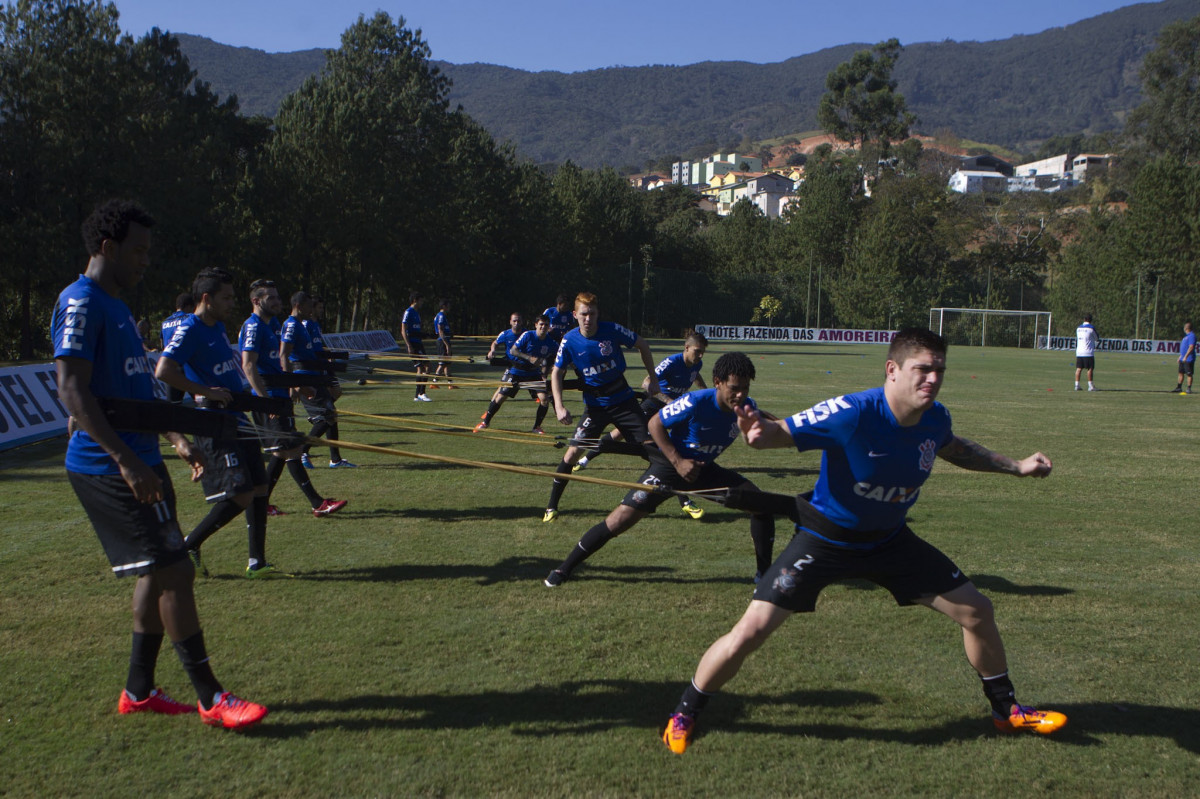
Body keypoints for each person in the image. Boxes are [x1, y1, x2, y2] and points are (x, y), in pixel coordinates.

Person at [661, 328, 1066, 755]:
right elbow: (783, 430)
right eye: (922, 369)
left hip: (890, 541)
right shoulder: (852, 412)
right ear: (892, 370)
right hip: (824, 539)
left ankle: (1007, 711)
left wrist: (1016, 466)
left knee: (978, 610)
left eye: (939, 370)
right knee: (750, 632)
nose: (932, 379)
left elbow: (954, 448)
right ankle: (684, 714)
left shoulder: (935, 417)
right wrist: (762, 433)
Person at [54, 199, 266, 727]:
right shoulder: (81, 303)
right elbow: (72, 392)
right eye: (139, 250)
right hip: (107, 468)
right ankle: (212, 698)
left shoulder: (118, 307)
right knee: (174, 570)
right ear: (108, 248)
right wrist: (127, 461)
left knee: (155, 572)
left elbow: (138, 390)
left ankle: (139, 691)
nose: (146, 261)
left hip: (142, 458)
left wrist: (173, 435)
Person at [544, 351, 775, 587]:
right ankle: (564, 569)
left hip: (704, 470)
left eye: (745, 388)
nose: (740, 395)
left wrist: (784, 427)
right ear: (718, 382)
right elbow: (655, 423)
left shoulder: (746, 405)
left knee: (761, 505)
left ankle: (764, 575)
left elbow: (759, 416)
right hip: (669, 467)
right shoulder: (695, 401)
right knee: (620, 520)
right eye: (734, 388)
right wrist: (678, 462)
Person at [157, 267, 287, 579]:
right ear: (207, 298)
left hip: (236, 416)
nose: (232, 303)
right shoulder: (190, 329)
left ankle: (257, 562)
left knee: (259, 487)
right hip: (212, 422)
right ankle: (188, 545)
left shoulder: (216, 327)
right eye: (226, 297)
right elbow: (164, 370)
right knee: (240, 494)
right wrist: (206, 391)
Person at [543, 292, 663, 523]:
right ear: (575, 315)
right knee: (571, 453)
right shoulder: (569, 340)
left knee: (655, 451)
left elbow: (643, 344)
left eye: (593, 314)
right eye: (584, 314)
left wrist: (653, 378)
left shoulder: (612, 330)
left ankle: (683, 499)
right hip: (595, 407)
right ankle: (551, 506)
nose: (588, 319)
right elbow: (557, 372)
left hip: (624, 402)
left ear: (598, 314)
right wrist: (559, 406)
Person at [239, 279, 348, 518]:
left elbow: (278, 364)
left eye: (278, 297)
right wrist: (265, 400)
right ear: (256, 301)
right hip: (269, 398)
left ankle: (262, 503)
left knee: (281, 452)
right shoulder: (254, 326)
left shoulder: (272, 324)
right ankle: (317, 503)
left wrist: (296, 385)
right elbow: (248, 366)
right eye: (272, 298)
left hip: (279, 395)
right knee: (292, 450)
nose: (278, 302)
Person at [573, 332, 710, 519]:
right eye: (697, 351)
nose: (700, 356)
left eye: (703, 352)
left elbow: (695, 375)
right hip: (653, 406)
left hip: (673, 411)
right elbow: (646, 383)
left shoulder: (696, 363)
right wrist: (669, 401)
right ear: (686, 348)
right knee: (623, 435)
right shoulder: (671, 362)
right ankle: (584, 459)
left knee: (673, 449)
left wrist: (707, 393)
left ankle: (685, 501)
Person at [281, 291, 356, 469]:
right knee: (327, 416)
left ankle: (335, 459)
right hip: (305, 377)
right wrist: (292, 384)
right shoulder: (292, 325)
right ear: (299, 306)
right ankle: (303, 450)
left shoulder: (301, 324)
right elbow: (284, 355)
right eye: (309, 306)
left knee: (331, 414)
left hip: (314, 376)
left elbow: (312, 352)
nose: (312, 309)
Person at [475, 314, 555, 434]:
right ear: (536, 325)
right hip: (516, 371)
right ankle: (485, 422)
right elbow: (513, 350)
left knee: (544, 399)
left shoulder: (550, 342)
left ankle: (536, 427)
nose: (543, 327)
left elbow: (559, 354)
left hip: (533, 373)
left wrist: (552, 366)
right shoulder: (528, 335)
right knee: (501, 397)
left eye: (546, 325)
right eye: (541, 324)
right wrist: (529, 358)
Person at [160, 293, 194, 403]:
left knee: (173, 409)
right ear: (188, 306)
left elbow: (162, 345)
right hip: (189, 366)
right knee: (203, 403)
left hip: (171, 368)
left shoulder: (165, 322)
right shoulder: (190, 318)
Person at [402, 291, 431, 402]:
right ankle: (421, 393)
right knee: (425, 367)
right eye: (421, 300)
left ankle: (418, 395)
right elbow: (403, 330)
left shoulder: (416, 313)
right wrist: (409, 345)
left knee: (423, 367)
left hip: (418, 343)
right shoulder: (408, 312)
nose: (422, 303)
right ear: (415, 300)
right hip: (413, 344)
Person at [432, 298, 456, 388]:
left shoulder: (442, 316)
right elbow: (440, 330)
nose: (449, 308)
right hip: (442, 342)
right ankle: (434, 382)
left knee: (447, 363)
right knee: (442, 363)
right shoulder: (441, 315)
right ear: (444, 306)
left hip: (445, 340)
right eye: (448, 306)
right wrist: (447, 345)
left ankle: (450, 383)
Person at [1074, 314, 1097, 391]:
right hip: (1088, 352)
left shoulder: (1078, 328)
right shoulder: (1091, 328)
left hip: (1079, 352)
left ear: (1084, 319)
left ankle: (1077, 385)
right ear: (1091, 320)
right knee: (1090, 368)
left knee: (1078, 368)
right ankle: (1090, 386)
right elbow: (1097, 338)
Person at [1172, 322, 1195, 394]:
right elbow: (1184, 348)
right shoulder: (1186, 336)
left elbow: (1191, 347)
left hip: (1188, 358)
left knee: (1189, 374)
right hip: (1183, 358)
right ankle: (1179, 387)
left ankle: (1189, 388)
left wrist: (1186, 356)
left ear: (1186, 328)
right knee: (1181, 372)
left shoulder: (1192, 336)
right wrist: (1181, 356)